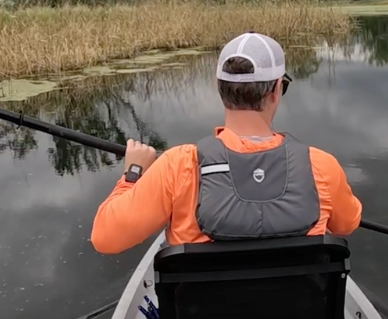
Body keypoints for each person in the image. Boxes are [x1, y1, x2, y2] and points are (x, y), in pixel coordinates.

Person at [90, 32, 362, 255]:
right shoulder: (321, 166)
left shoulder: (178, 165)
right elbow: (346, 225)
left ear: (220, 87)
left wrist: (133, 174)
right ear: (276, 90)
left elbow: (105, 239)